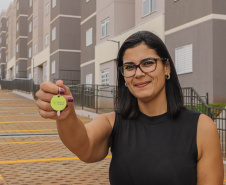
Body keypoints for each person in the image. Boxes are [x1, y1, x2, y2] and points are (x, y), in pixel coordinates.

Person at [36, 31, 224, 185]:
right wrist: (66, 115)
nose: (139, 73)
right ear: (123, 76)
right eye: (129, 67)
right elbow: (84, 146)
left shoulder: (201, 127)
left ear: (167, 67)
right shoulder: (112, 122)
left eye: (148, 63)